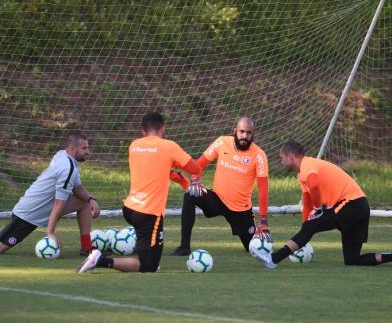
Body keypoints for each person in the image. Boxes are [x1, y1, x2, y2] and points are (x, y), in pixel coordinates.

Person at [77, 112, 200, 273]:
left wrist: (177, 175)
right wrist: (185, 176)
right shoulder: (169, 146)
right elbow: (195, 168)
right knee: (149, 267)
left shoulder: (134, 145)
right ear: (162, 128)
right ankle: (100, 261)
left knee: (148, 250)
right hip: (149, 214)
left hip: (130, 209)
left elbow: (154, 169)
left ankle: (145, 255)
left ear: (143, 131)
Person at [253, 139, 392, 269]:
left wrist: (318, 210)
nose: (281, 162)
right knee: (352, 260)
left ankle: (273, 259)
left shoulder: (308, 165)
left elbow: (314, 185)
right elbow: (307, 202)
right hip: (359, 207)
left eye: (281, 158)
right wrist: (304, 230)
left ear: (290, 156)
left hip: (351, 204)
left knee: (311, 226)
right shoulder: (301, 175)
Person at [171, 116, 271, 257]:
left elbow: (263, 189)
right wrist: (195, 180)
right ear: (235, 131)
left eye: (249, 133)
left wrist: (263, 220)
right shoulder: (222, 142)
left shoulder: (259, 156)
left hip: (240, 210)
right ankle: (184, 247)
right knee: (190, 194)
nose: (245, 136)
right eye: (242, 131)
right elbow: (199, 165)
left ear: (253, 134)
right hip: (217, 200)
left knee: (253, 248)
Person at [0, 132, 100, 255]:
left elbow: (77, 186)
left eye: (87, 147)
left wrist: (91, 199)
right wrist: (50, 233)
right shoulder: (67, 169)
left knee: (84, 203)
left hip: (44, 209)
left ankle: (87, 247)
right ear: (71, 148)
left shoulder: (63, 156)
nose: (88, 151)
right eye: (84, 148)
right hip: (28, 214)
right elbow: (59, 203)